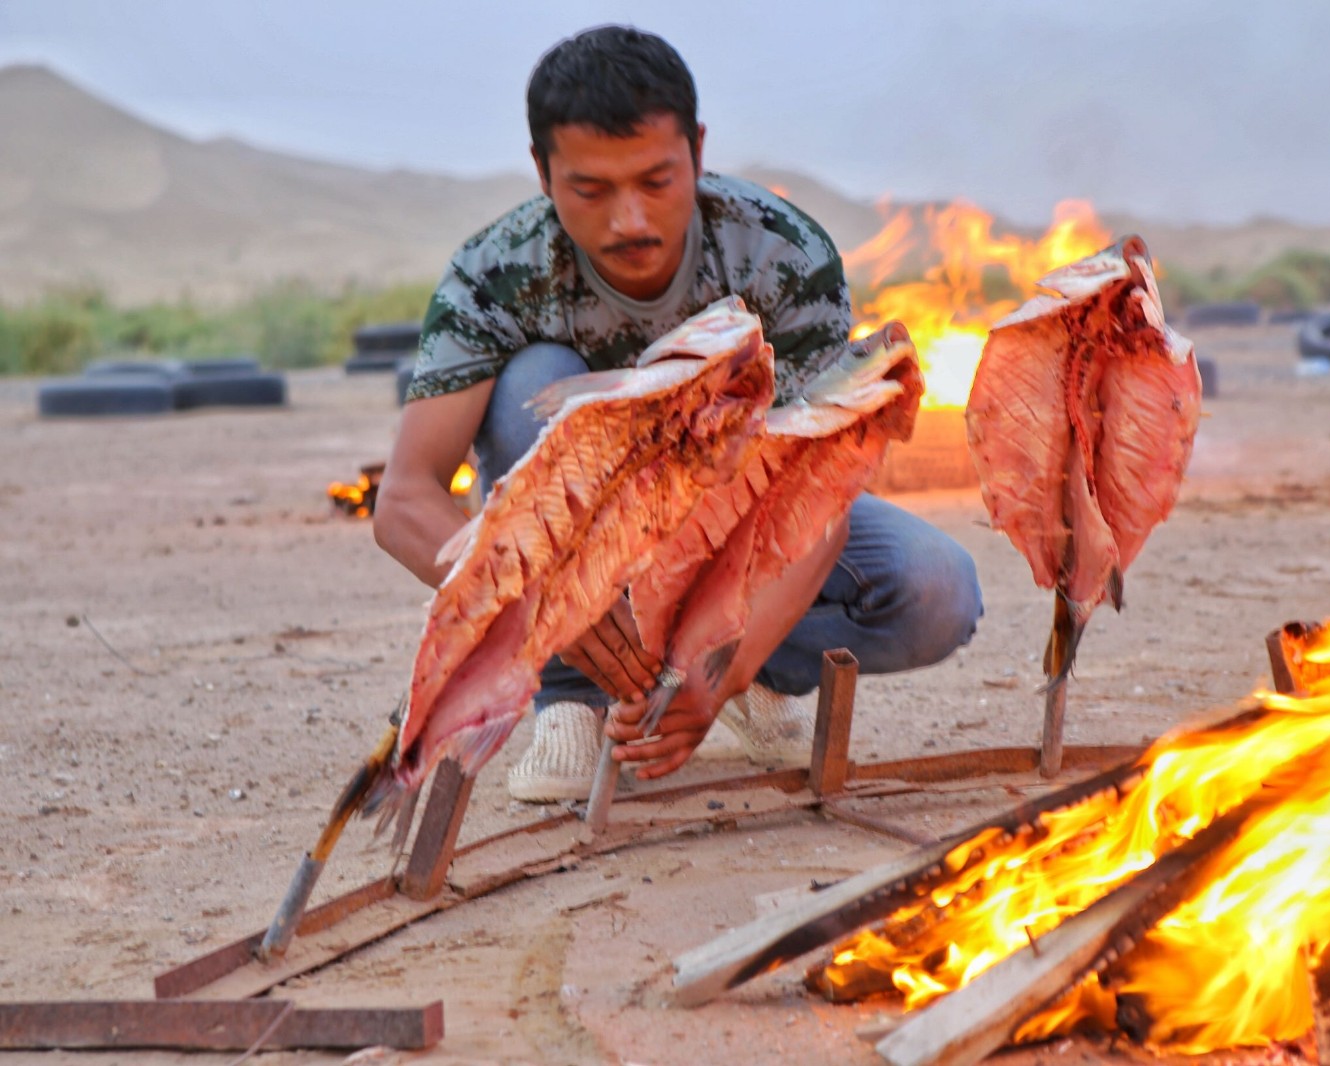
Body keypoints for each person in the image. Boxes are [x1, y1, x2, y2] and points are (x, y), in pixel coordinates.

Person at [374, 25, 982, 803]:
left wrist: (718, 675)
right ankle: (573, 696)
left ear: (697, 149)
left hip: (740, 511)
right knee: (540, 381)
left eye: (657, 181)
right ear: (542, 171)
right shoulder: (497, 274)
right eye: (590, 190)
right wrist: (550, 618)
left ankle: (723, 677)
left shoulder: (779, 254)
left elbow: (816, 491)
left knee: (935, 591)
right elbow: (405, 502)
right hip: (574, 530)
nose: (629, 219)